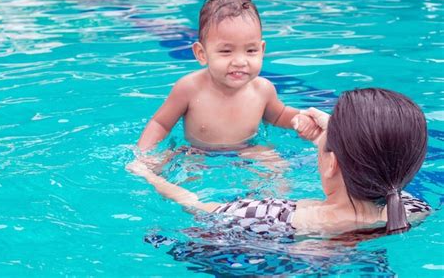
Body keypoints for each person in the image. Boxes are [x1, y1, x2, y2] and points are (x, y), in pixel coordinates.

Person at [128, 88, 431, 236]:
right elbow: (379, 158)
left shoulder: (269, 214)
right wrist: (330, 137)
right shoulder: (413, 209)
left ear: (331, 163)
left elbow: (193, 204)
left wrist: (148, 175)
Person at [136, 0, 318, 152]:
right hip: (197, 153)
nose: (240, 62)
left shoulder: (263, 89)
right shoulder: (189, 88)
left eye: (251, 51)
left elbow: (279, 115)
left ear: (262, 50)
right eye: (225, 51)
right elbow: (161, 123)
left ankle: (272, 194)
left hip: (248, 148)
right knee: (184, 172)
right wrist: (144, 154)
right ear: (202, 54)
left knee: (277, 168)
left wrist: (300, 120)